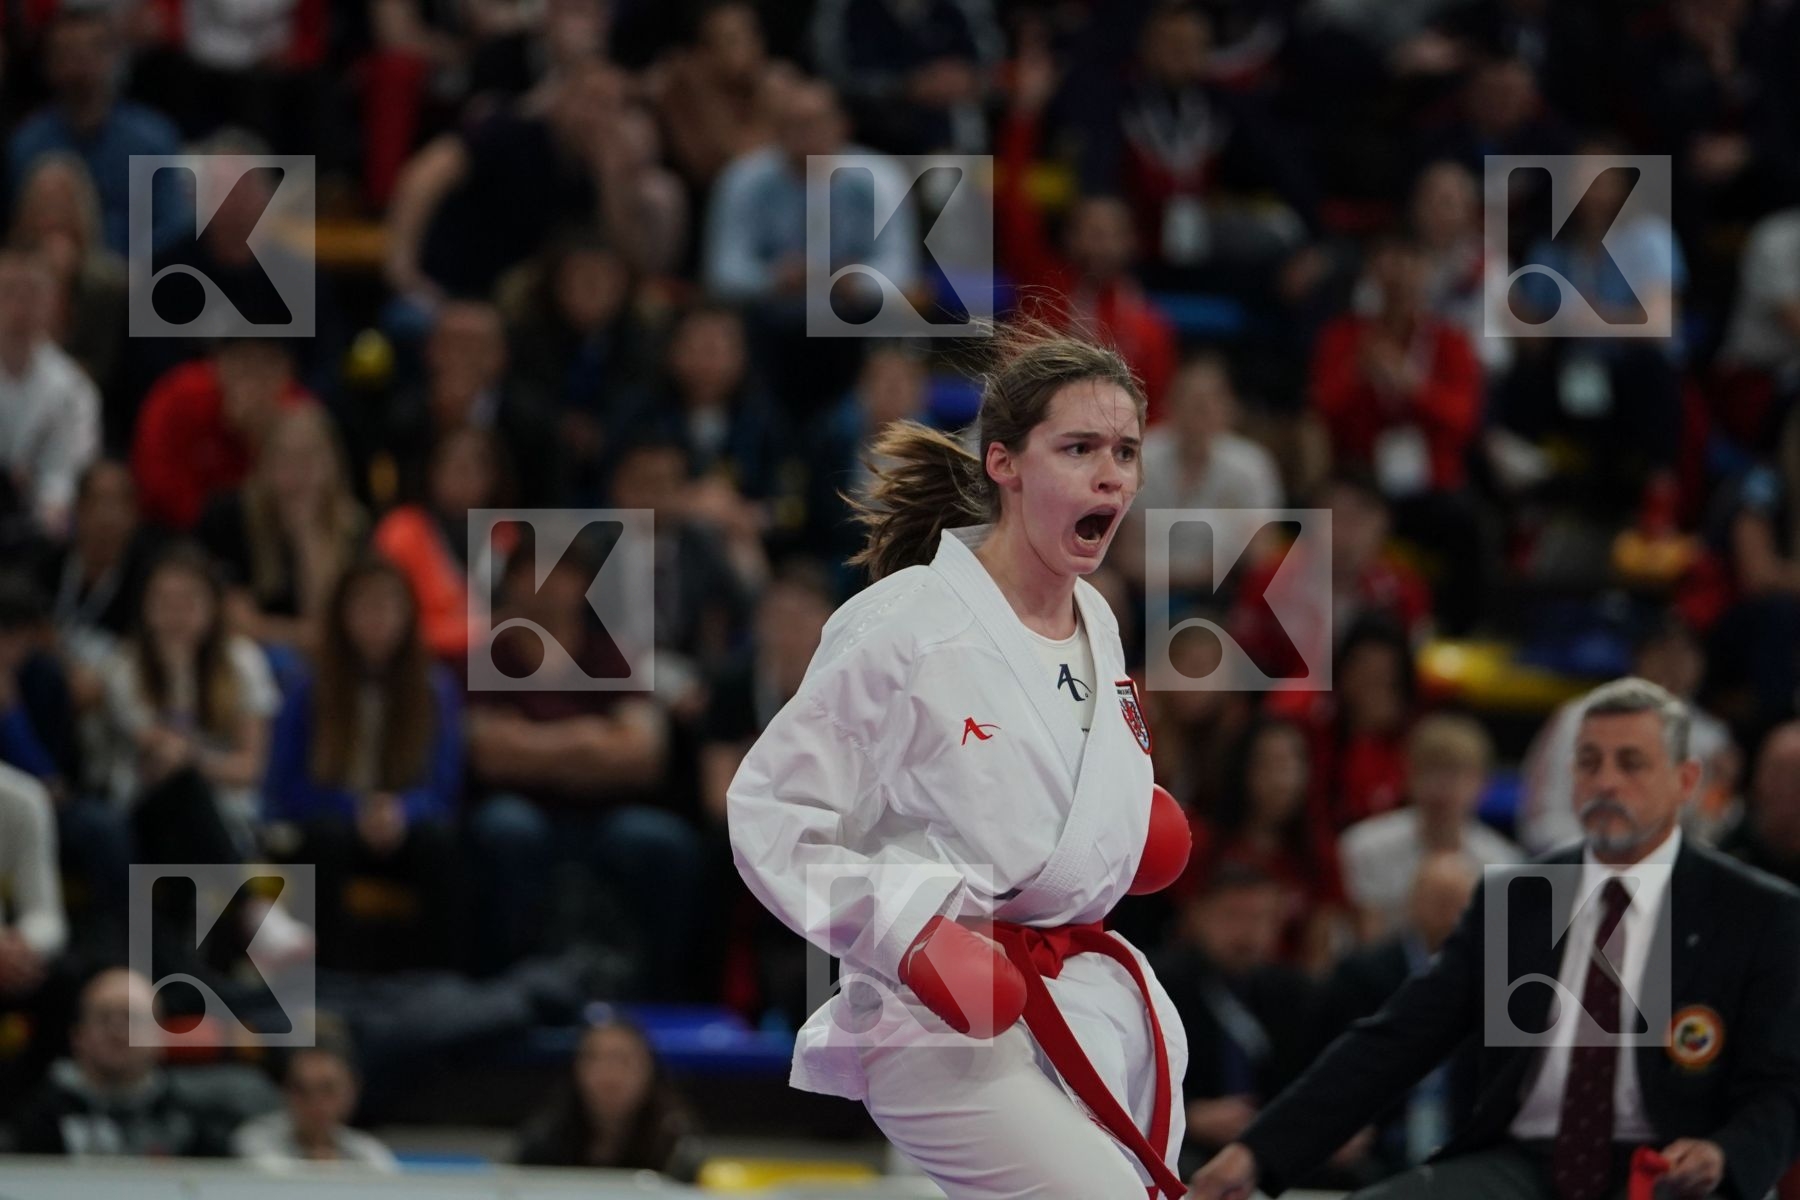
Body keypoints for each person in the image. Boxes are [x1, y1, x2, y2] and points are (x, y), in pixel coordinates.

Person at [728, 329, 1194, 1197]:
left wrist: (1127, 821)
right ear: (1004, 464)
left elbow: (1038, 783)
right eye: (1080, 448)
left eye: (1126, 452)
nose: (1112, 476)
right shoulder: (905, 622)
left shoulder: (1098, 616)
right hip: (943, 1018)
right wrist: (908, 939)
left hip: (1089, 992)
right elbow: (771, 817)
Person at [1190, 676, 1800, 1200]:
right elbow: (1397, 1040)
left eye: (1631, 762)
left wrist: (1725, 1155)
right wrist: (1258, 1153)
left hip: (1666, 1172)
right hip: (1524, 1164)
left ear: (1685, 780)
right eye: (1589, 762)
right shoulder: (1521, 898)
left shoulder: (1755, 914)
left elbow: (1779, 1088)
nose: (1606, 782)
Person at [263, 558, 462, 973]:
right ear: (343, 616)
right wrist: (355, 811)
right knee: (324, 839)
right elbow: (284, 787)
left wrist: (402, 811)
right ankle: (328, 976)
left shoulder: (434, 688)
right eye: (365, 607)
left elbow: (445, 787)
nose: (378, 620)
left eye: (389, 607)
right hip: (335, 825)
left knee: (439, 842)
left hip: (402, 830)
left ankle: (436, 978)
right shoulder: (310, 687)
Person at [10, 967, 242, 1156]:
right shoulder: (36, 1118)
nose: (118, 1031)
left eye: (132, 1019)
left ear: (159, 1036)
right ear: (77, 1036)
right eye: (103, 1018)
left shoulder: (189, 1122)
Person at [197, 405, 368, 656]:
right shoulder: (230, 515)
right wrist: (303, 635)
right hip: (254, 660)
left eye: (309, 459)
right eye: (286, 459)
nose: (298, 474)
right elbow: (237, 624)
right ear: (264, 464)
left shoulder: (353, 525)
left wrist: (307, 536)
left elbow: (337, 622)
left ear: (333, 465)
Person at [1338, 714, 1521, 937]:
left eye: (1454, 774)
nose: (1440, 788)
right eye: (1430, 771)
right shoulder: (1364, 847)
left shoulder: (1503, 864)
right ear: (1408, 776)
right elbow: (1364, 943)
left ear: (1482, 783)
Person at [130, 339, 314, 531]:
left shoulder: (300, 412)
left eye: (267, 364)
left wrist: (263, 438)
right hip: (187, 532)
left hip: (275, 533)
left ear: (287, 371)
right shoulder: (180, 398)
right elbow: (157, 488)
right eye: (242, 363)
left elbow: (315, 496)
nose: (253, 380)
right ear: (217, 364)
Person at [515, 1014, 703, 1179]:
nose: (609, 1075)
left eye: (624, 1060)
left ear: (650, 1071)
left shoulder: (677, 1148)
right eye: (595, 1059)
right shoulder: (543, 1142)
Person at [0, 249, 101, 540]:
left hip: (41, 530)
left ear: (51, 304)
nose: (19, 305)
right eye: (8, 291)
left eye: (31, 293)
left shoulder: (74, 389)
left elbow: (71, 470)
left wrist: (48, 503)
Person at [232, 1034, 399, 1170]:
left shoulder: (369, 1154)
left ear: (351, 1090)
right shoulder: (255, 1142)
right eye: (301, 1089)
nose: (315, 1102)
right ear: (284, 1091)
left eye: (327, 1089)